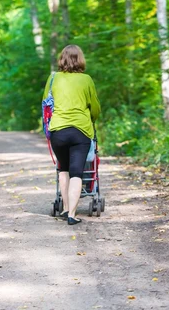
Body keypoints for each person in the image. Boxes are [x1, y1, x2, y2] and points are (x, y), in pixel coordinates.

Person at [43, 45, 101, 225]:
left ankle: (66, 208)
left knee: (63, 170)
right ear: (80, 59)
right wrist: (91, 117)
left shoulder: (53, 78)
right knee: (77, 172)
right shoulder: (86, 80)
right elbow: (95, 107)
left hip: (58, 131)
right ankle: (72, 215)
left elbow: (45, 103)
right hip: (80, 131)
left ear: (62, 59)